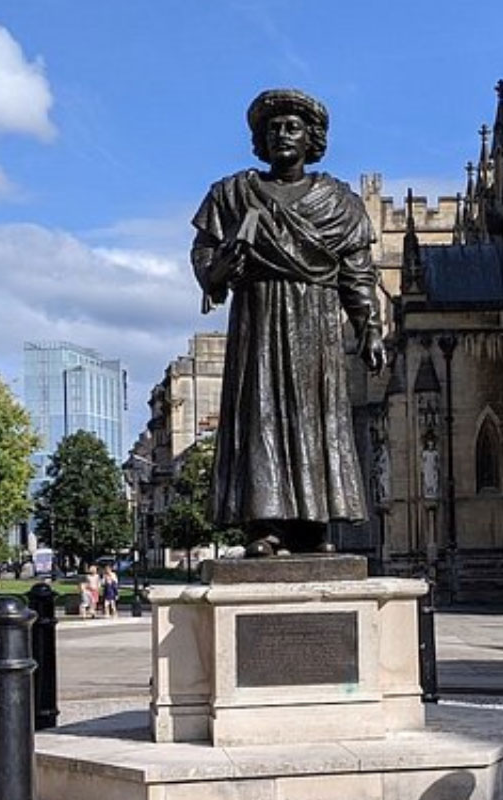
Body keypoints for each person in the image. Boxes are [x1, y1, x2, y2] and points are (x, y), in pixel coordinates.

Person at [190, 88, 385, 557]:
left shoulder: (339, 201)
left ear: (311, 138)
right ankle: (264, 525)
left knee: (318, 417)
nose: (282, 134)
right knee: (262, 415)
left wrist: (369, 327)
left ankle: (312, 525)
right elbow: (203, 257)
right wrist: (222, 266)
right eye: (272, 128)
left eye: (292, 127)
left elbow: (357, 269)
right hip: (258, 317)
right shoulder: (233, 194)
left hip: (316, 322)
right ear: (260, 139)